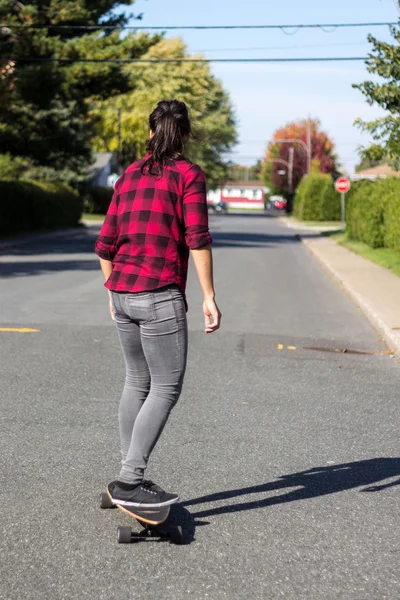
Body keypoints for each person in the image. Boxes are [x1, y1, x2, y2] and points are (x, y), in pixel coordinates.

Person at [95, 99, 221, 509]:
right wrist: (209, 297)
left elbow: (105, 243)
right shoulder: (187, 174)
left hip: (123, 292)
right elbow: (197, 238)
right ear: (185, 135)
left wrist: (112, 290)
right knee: (165, 387)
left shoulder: (129, 174)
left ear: (150, 133)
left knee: (136, 381)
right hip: (158, 295)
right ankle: (130, 480)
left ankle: (123, 476)